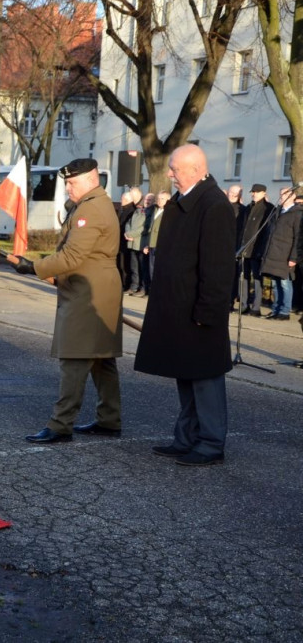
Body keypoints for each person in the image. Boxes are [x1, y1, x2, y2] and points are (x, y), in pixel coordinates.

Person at [6, 158, 123, 443]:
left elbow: (72, 256)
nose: (68, 187)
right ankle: (109, 418)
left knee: (74, 357)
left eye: (72, 182)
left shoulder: (91, 209)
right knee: (100, 359)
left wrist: (33, 267)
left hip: (89, 292)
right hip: (93, 287)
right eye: (67, 182)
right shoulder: (92, 204)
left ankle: (60, 424)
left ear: (92, 179)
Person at [135, 144, 235, 466]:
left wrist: (208, 312)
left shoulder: (213, 204)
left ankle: (210, 443)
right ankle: (186, 437)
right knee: (186, 376)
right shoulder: (184, 201)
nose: (169, 174)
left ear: (194, 169)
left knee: (206, 379)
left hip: (199, 311)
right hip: (178, 308)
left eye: (174, 169)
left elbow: (218, 267)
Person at [259, 187, 302, 320]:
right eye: (281, 194)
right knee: (275, 283)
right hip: (273, 254)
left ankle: (285, 311)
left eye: (284, 194)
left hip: (286, 254)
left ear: (291, 196)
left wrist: (294, 257)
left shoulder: (297, 213)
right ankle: (276, 309)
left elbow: (299, 237)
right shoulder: (278, 211)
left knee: (285, 283)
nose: (281, 197)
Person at [239, 184, 276, 316]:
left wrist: (262, 250)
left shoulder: (269, 208)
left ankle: (256, 307)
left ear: (264, 193)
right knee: (243, 278)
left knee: (258, 279)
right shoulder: (249, 207)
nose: (254, 194)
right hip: (245, 249)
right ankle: (243, 305)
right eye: (253, 192)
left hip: (257, 250)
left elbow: (268, 231)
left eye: (257, 192)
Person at [226, 185, 246, 309]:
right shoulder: (220, 205)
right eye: (231, 191)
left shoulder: (243, 210)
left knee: (231, 276)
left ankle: (229, 302)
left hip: (233, 246)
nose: (233, 194)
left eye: (236, 193)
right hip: (218, 246)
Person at [145, 191, 170, 283]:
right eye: (158, 198)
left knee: (159, 269)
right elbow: (150, 229)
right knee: (151, 268)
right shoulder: (155, 210)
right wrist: (147, 244)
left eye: (162, 199)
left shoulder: (169, 212)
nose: (159, 201)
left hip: (160, 245)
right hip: (152, 244)